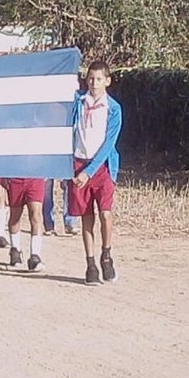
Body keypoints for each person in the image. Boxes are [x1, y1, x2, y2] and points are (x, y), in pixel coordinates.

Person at [69, 60, 122, 285]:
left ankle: (106, 254)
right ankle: (90, 263)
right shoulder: (78, 103)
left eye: (99, 79)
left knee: (105, 213)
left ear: (107, 81)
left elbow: (108, 144)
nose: (94, 83)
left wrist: (89, 172)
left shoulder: (113, 108)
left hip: (101, 167)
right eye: (90, 79)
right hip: (78, 162)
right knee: (86, 217)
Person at [6, 178, 47, 271]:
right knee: (15, 215)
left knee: (36, 215)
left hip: (35, 178)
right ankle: (15, 249)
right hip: (16, 178)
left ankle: (35, 255)